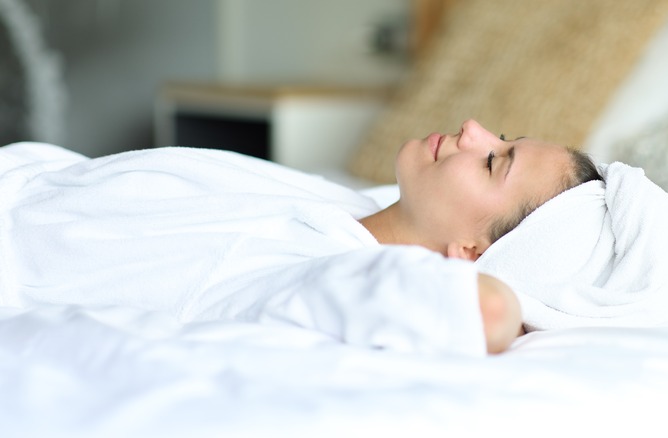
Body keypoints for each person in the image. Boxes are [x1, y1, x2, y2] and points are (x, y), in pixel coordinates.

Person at [0, 119, 601, 356]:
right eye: (503, 137)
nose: (474, 129)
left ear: (470, 253)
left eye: (494, 161)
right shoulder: (348, 205)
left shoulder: (331, 273)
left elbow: (486, 309)